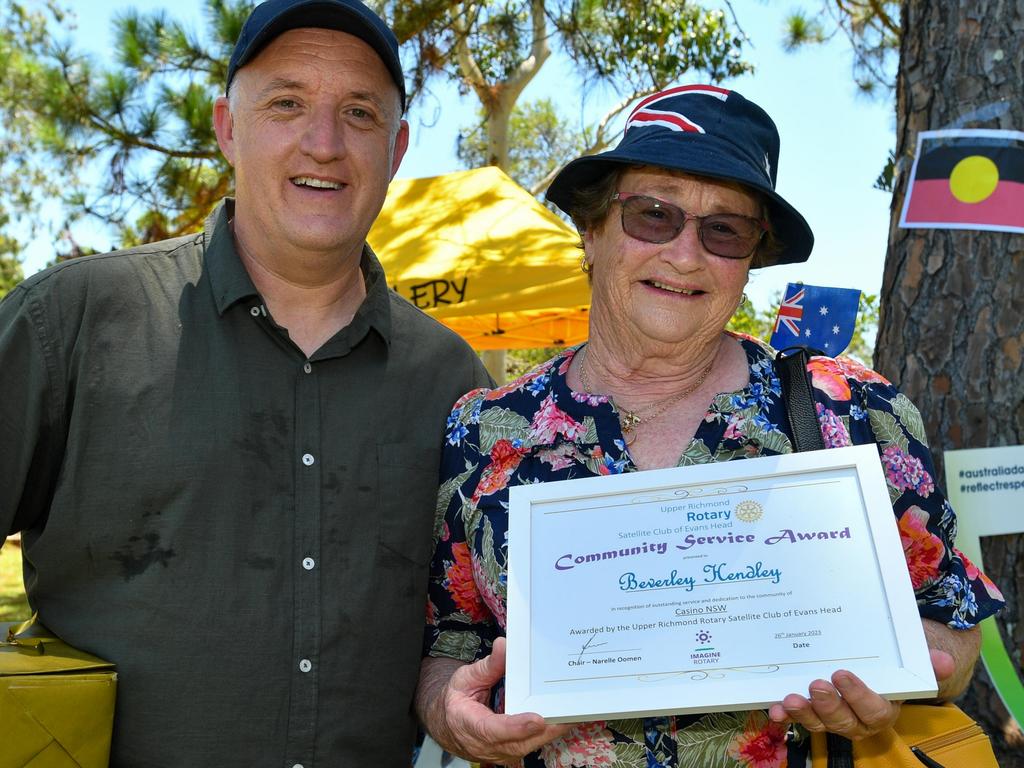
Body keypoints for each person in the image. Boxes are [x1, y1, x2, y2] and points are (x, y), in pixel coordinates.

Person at [416, 84, 1006, 766]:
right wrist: (450, 714)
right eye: (652, 214)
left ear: (751, 258)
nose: (686, 254)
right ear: (592, 229)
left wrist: (904, 679)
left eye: (723, 229)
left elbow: (954, 628)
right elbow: (449, 642)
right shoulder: (483, 431)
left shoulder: (853, 410)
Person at [0, 0, 490, 764]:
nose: (323, 143)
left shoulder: (451, 380)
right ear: (228, 127)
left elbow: (457, 627)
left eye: (358, 113)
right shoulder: (73, 320)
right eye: (287, 103)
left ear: (395, 150)